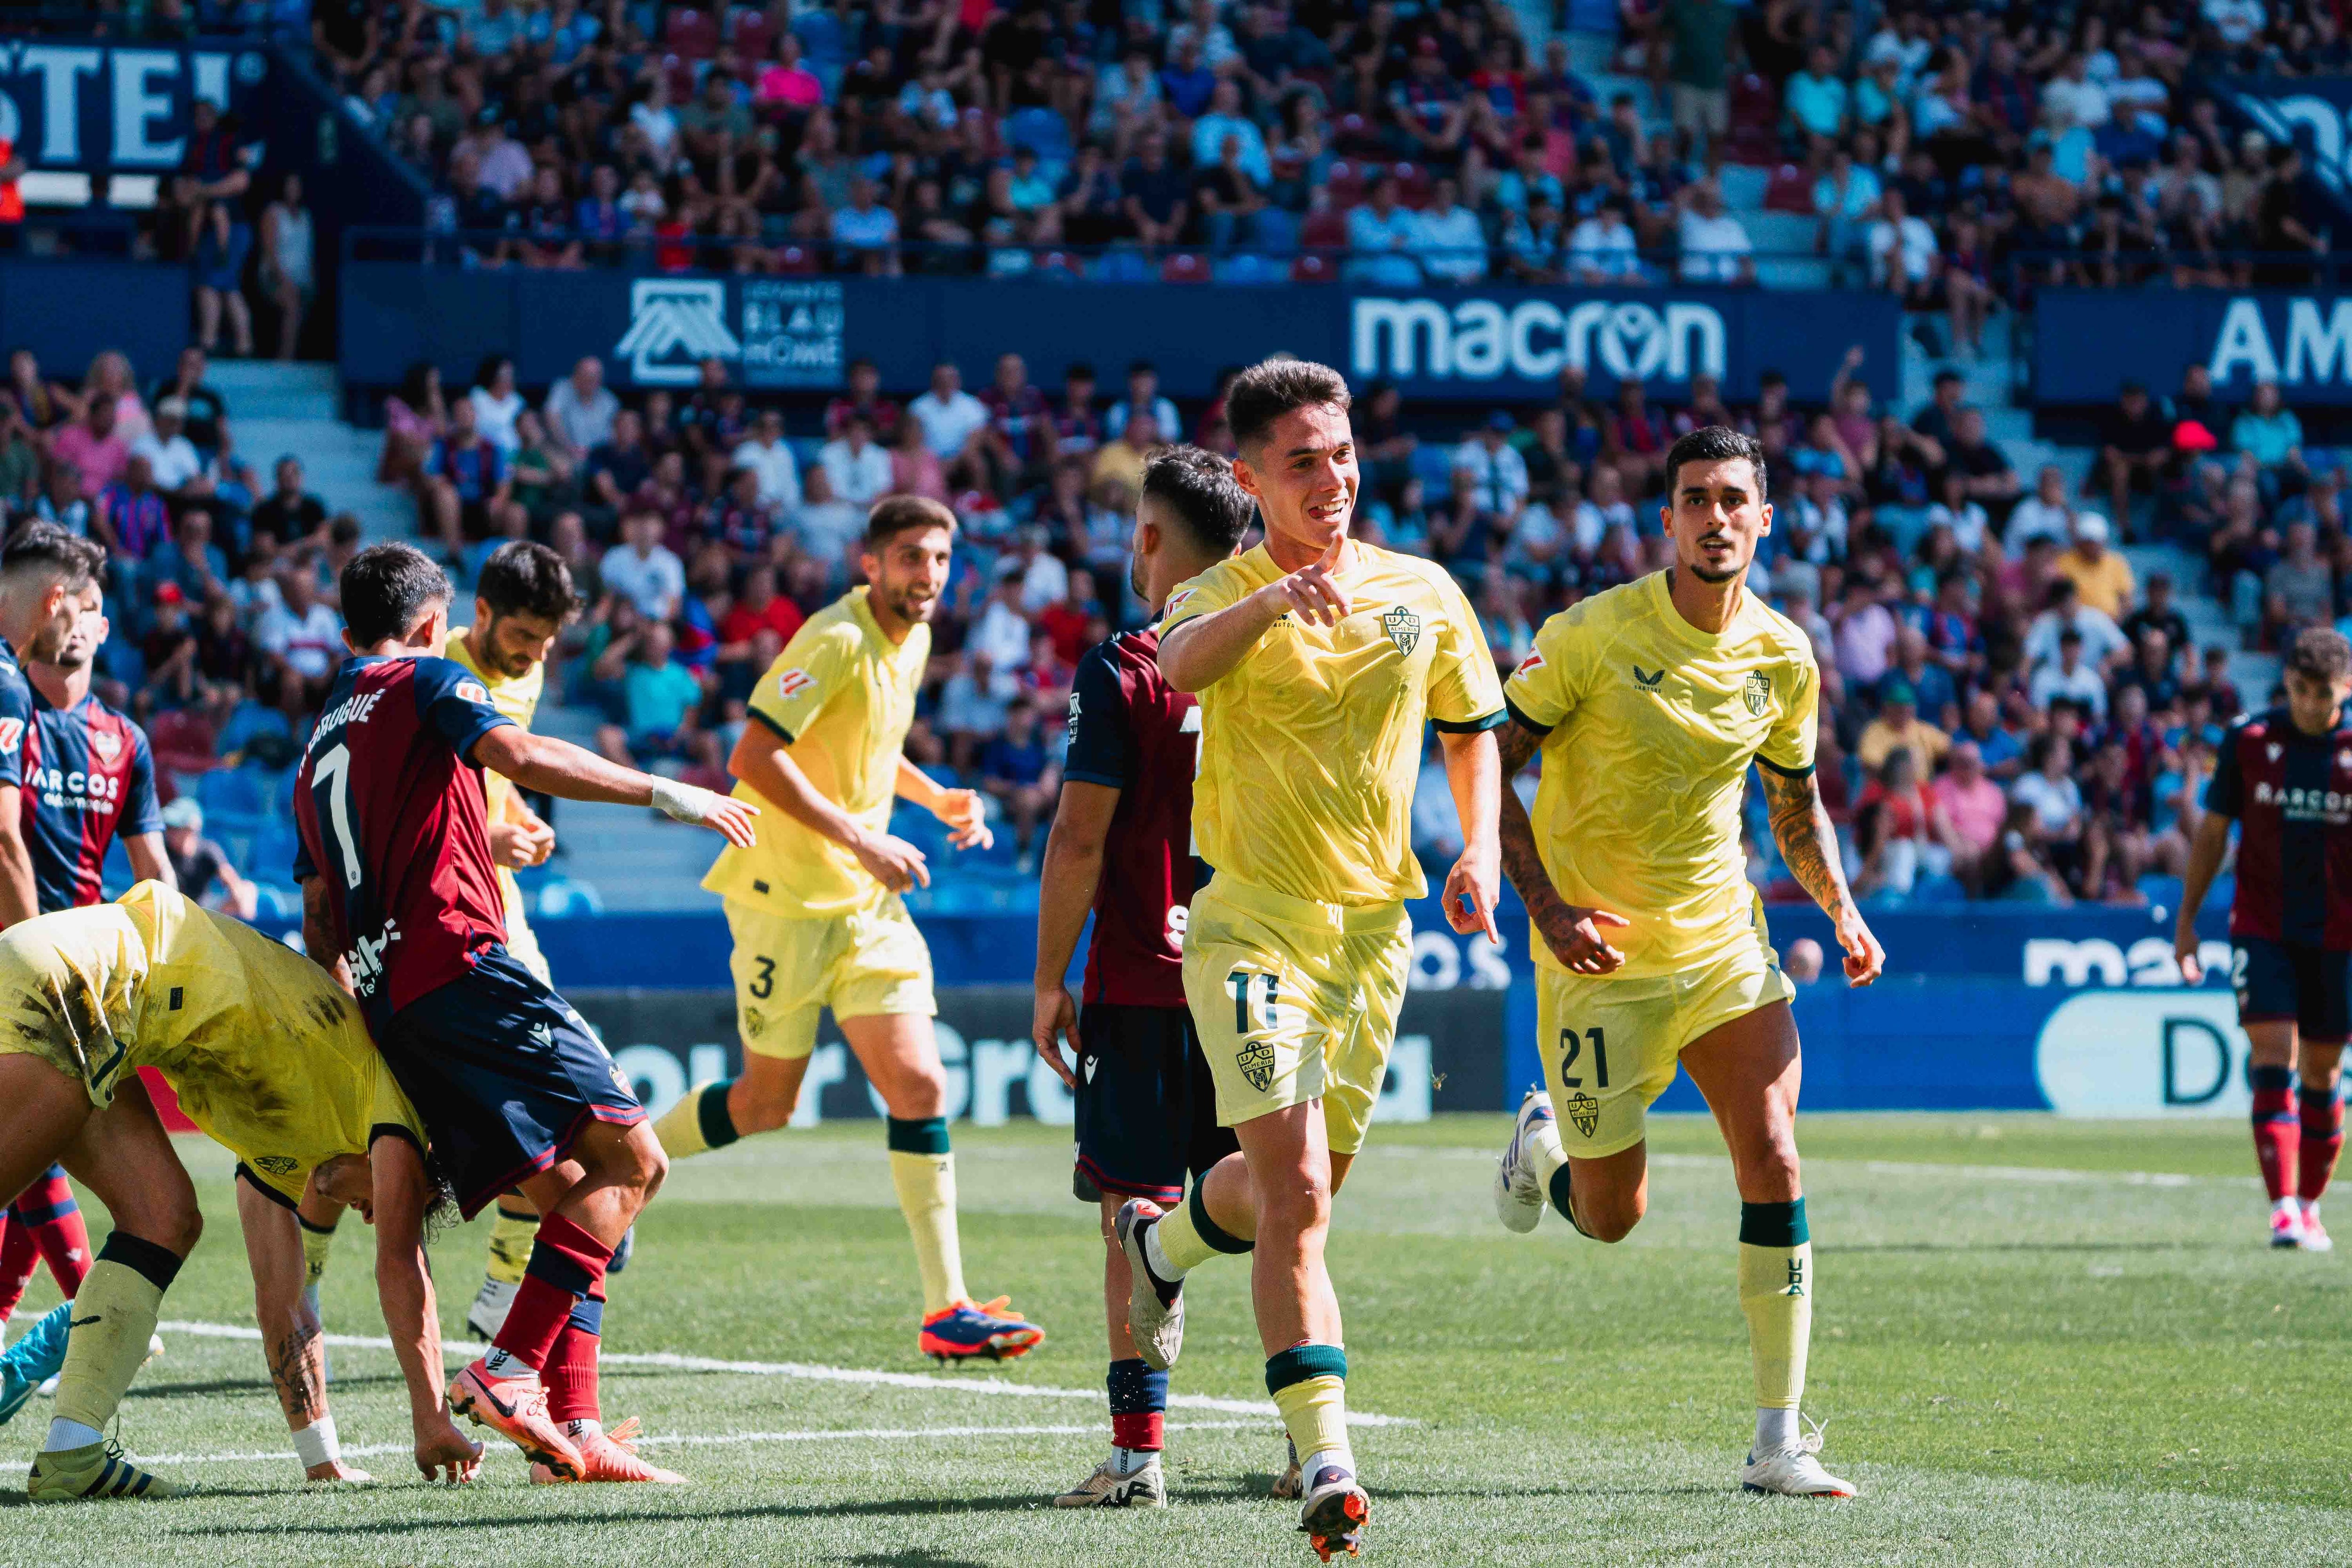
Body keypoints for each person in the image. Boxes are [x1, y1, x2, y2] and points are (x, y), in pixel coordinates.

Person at [1117, 358, 1506, 1560]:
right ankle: (1326, 1460)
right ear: (1250, 478)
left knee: (1297, 1191)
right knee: (1293, 1198)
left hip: (1372, 934)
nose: (1332, 478)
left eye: (1341, 455)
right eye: (1302, 462)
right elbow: (1178, 669)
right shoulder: (1214, 592)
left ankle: (1159, 1243)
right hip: (1248, 922)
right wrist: (1275, 603)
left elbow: (1471, 732)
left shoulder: (1424, 590)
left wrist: (1481, 848)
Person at [293, 542, 757, 1483]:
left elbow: (317, 918)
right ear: (434, 621)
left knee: (573, 1195)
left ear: (344, 632)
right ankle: (509, 1369)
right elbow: (524, 753)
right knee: (635, 1160)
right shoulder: (428, 676)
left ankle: (572, 1432)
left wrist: (364, 1031)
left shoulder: (312, 753)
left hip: (394, 1003)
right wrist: (666, 791)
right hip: (465, 966)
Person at [1490, 426, 1883, 1500]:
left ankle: (1778, 1443)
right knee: (1612, 1217)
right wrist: (1547, 904)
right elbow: (1489, 768)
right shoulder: (1586, 635)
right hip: (1597, 958)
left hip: (1722, 946)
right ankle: (1544, 1150)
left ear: (1764, 519)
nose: (1715, 517)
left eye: (1734, 499)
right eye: (1695, 499)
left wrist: (1841, 908)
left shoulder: (1781, 654)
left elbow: (1793, 803)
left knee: (1775, 1156)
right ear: (1665, 520)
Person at [650, 496, 1047, 1364]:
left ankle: (947, 1306)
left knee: (920, 1086)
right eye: (910, 557)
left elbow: (868, 743)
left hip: (867, 908)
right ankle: (627, 1167)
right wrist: (865, 836)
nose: (928, 574)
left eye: (940, 558)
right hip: (783, 900)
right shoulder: (833, 636)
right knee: (765, 1105)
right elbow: (754, 755)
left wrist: (933, 795)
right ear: (870, 563)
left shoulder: (918, 638)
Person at [3, 882, 481, 1499]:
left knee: (163, 1216)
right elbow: (400, 1260)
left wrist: (321, 1459)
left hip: (86, 991)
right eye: (407, 1196)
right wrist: (432, 1419)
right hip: (77, 982)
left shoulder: (291, 1149)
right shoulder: (391, 1105)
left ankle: (73, 1454)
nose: (371, 1213)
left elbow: (281, 1302)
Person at [1031, 446, 1253, 1510]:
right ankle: (1309, 1443)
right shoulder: (1284, 646)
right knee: (1279, 1205)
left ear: (1154, 541)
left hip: (1142, 979)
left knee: (1134, 1212)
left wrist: (1046, 981)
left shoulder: (1127, 666)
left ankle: (1136, 1459)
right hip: (1262, 972)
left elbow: (1079, 837)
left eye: (1133, 529)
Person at [420, 543, 583, 1342]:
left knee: (547, 1100)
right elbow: (409, 799)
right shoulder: (436, 666)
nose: (535, 654)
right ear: (478, 615)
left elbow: (488, 767)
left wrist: (510, 818)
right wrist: (491, 832)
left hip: (501, 905)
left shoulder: (525, 669)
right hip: (430, 910)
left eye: (548, 641)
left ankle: (501, 1290)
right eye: (523, 635)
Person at [2176, 627, 2352, 1252]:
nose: (2308, 703)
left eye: (2321, 692)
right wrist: (2187, 920)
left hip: (2340, 936)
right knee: (2273, 1054)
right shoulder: (2250, 741)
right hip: (2264, 927)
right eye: (2299, 690)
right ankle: (2282, 1208)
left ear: (2346, 688)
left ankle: (2310, 1205)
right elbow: (2213, 834)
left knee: (2324, 1072)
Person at [160, 796, 254, 915]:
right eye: (168, 827)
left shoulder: (209, 850)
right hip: (171, 913)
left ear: (192, 828)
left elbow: (233, 882)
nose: (170, 832)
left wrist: (238, 896)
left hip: (205, 913)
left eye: (176, 827)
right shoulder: (161, 851)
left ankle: (246, 932)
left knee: (249, 889)